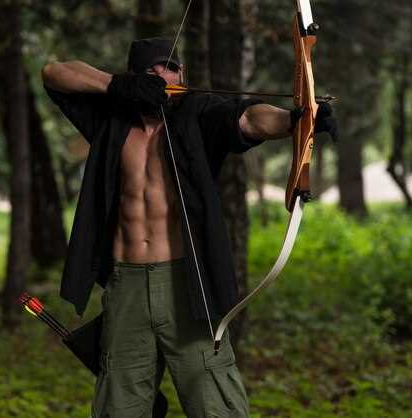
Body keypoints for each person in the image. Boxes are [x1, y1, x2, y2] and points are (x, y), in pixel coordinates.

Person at [42, 37, 336, 418]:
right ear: (135, 78)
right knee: (119, 404)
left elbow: (249, 119)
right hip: (125, 285)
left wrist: (297, 121)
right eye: (150, 71)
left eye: (170, 67)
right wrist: (114, 85)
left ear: (182, 74)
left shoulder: (199, 114)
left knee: (214, 402)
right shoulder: (110, 120)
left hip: (188, 285)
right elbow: (53, 73)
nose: (163, 76)